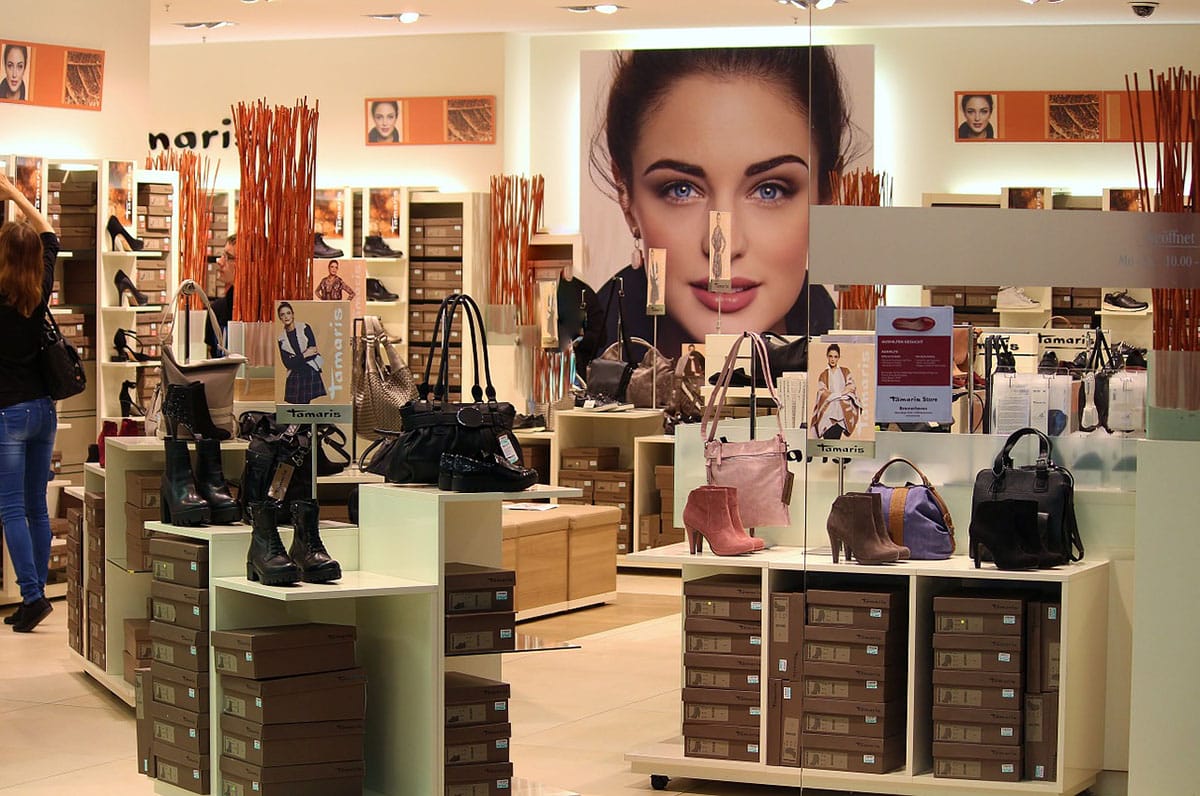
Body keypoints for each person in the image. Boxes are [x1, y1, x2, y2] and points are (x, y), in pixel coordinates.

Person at [592, 47, 853, 355]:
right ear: (626, 196)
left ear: (825, 197)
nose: (723, 247)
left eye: (770, 190)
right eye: (681, 190)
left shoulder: (860, 369)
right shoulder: (580, 364)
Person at [0, 172, 58, 631]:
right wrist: (15, 194)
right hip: (44, 409)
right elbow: (48, 231)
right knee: (36, 505)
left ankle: (33, 595)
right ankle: (34, 597)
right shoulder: (41, 287)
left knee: (11, 507)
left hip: (8, 412)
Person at [277, 302, 327, 404]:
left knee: (307, 405)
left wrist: (296, 359)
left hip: (310, 370)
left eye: (288, 313)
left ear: (293, 314)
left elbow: (313, 350)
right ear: (280, 318)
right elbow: (287, 363)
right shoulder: (281, 339)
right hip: (294, 374)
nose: (286, 317)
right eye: (282, 314)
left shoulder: (304, 328)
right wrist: (304, 355)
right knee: (296, 407)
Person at [810, 342, 861, 440]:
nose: (833, 359)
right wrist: (841, 394)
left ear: (839, 358)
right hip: (828, 410)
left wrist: (837, 396)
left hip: (842, 410)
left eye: (835, 357)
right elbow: (822, 393)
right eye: (830, 356)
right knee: (827, 438)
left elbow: (851, 387)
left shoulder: (845, 371)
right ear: (827, 357)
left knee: (837, 438)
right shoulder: (823, 374)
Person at [205, 233, 236, 357]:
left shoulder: (269, 314)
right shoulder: (216, 310)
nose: (219, 261)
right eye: (222, 255)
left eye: (228, 257)